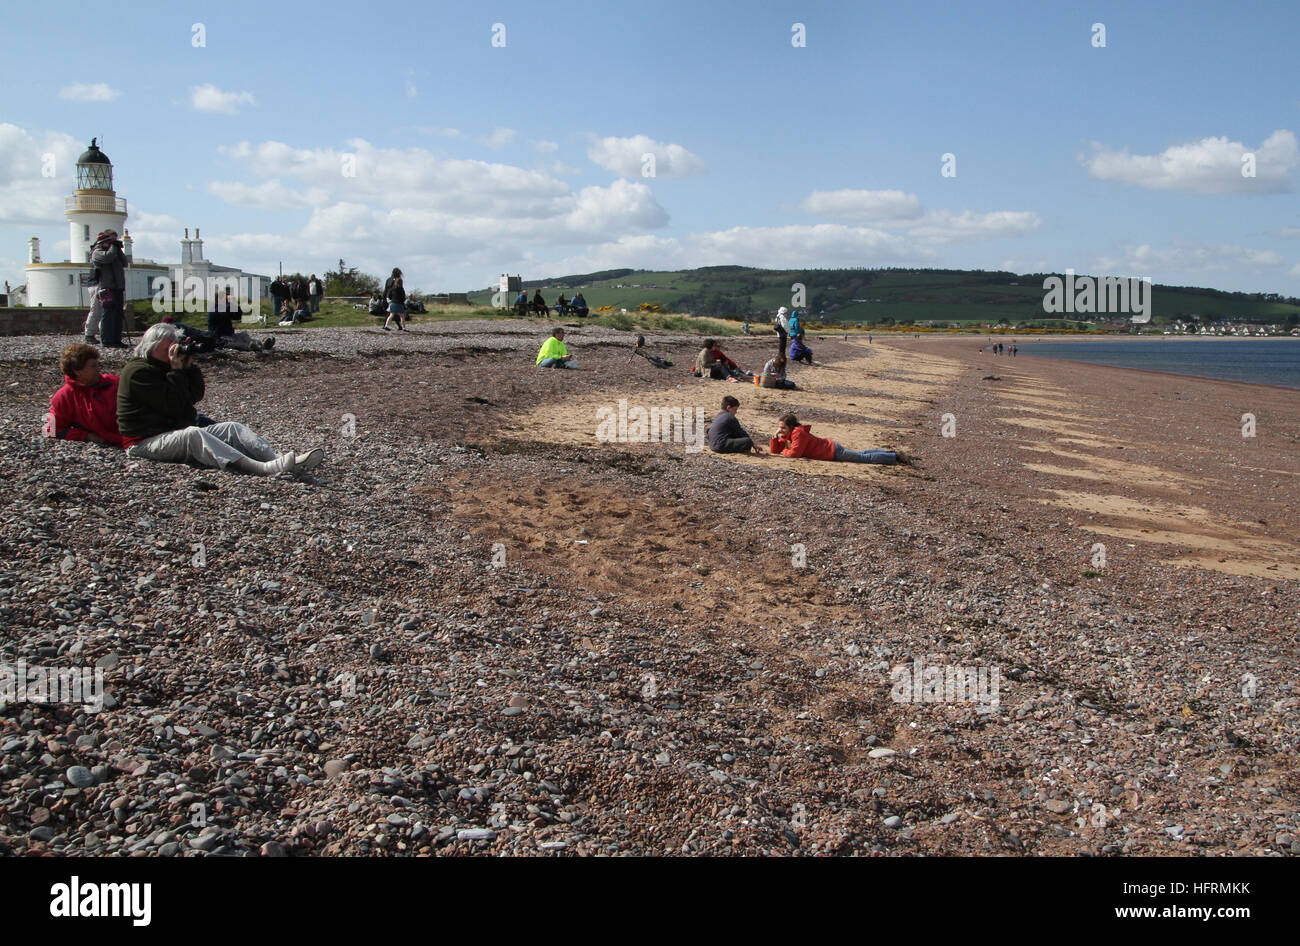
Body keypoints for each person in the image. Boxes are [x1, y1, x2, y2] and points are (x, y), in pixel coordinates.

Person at [117, 323, 324, 476]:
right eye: (168, 348)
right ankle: (261, 468)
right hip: (143, 442)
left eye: (175, 346)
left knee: (232, 427)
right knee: (193, 434)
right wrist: (177, 370)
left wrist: (189, 367)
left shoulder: (164, 367)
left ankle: (278, 459)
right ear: (152, 347)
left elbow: (195, 396)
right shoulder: (138, 372)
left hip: (170, 430)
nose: (174, 351)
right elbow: (172, 405)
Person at [45, 343, 124, 447]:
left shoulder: (113, 382)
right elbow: (51, 429)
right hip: (117, 442)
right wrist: (86, 436)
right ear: (77, 371)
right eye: (93, 366)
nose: (98, 369)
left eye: (97, 365)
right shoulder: (65, 396)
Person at [769, 413, 902, 465]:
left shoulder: (798, 434)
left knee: (862, 458)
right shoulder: (788, 436)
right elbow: (775, 451)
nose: (781, 430)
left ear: (791, 427)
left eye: (783, 427)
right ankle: (890, 454)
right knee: (860, 454)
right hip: (830, 449)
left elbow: (795, 454)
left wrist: (784, 451)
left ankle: (894, 457)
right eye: (780, 427)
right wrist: (775, 437)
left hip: (831, 451)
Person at [89, 230, 128, 348]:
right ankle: (106, 339)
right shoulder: (97, 252)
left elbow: (125, 262)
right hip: (107, 288)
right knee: (107, 315)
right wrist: (113, 248)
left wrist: (118, 249)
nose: (110, 244)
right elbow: (108, 258)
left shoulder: (114, 252)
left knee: (117, 315)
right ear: (101, 243)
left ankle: (116, 339)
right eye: (108, 242)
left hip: (118, 287)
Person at [207, 288, 275, 352]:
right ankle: (254, 347)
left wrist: (234, 304)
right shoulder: (214, 309)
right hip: (220, 337)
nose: (226, 300)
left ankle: (262, 344)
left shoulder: (224, 307)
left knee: (244, 336)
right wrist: (230, 303)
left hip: (229, 334)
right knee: (238, 343)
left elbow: (237, 316)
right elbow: (225, 312)